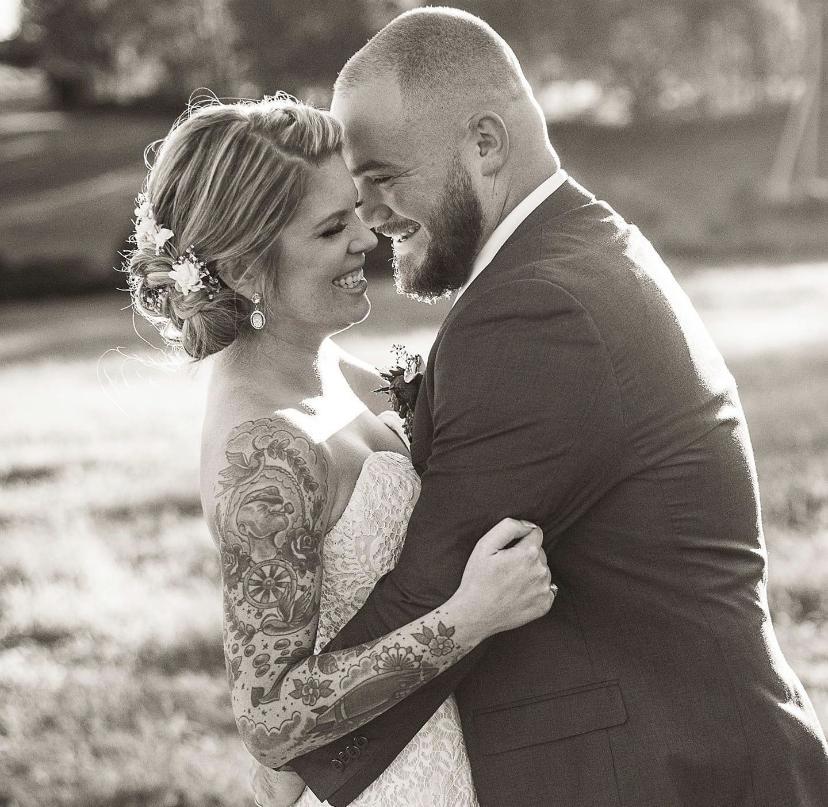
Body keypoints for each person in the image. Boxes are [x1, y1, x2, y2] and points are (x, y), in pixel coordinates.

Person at [285, 7, 828, 807]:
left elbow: (435, 587)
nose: (367, 215)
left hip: (671, 777)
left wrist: (287, 752)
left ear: (485, 143)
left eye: (384, 178)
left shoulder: (538, 307)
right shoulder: (578, 250)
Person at [124, 94, 556, 807]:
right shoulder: (264, 453)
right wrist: (470, 616)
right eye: (331, 228)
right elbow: (270, 718)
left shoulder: (328, 365)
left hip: (456, 748)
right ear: (243, 269)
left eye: (355, 208)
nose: (367, 236)